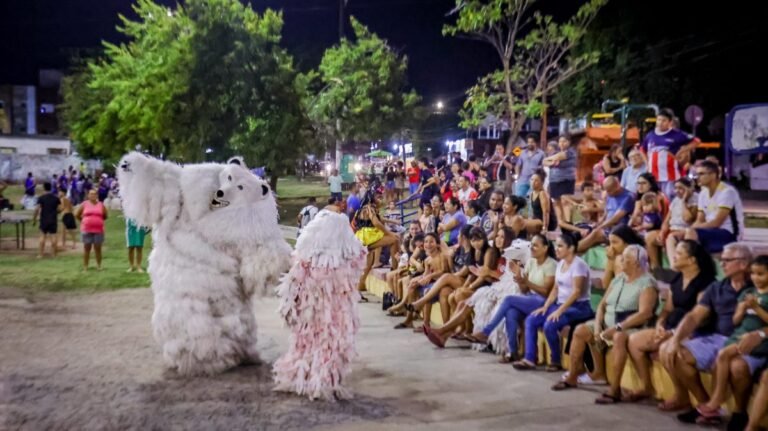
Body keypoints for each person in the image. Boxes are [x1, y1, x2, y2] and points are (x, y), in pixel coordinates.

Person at [658, 243, 752, 428]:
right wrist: (675, 339)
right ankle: (705, 404)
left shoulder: (757, 286)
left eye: (727, 260)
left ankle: (740, 412)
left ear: (743, 264)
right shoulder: (716, 287)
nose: (722, 264)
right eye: (721, 260)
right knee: (675, 352)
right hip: (716, 338)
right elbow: (694, 315)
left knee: (735, 366)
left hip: (745, 340)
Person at [554, 246, 658, 402]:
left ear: (636, 263)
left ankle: (615, 389)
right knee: (580, 330)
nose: (620, 260)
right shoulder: (618, 278)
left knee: (619, 338)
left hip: (630, 327)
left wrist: (617, 327)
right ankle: (573, 376)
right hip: (607, 323)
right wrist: (597, 325)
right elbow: (602, 304)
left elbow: (645, 313)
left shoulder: (647, 283)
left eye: (625, 258)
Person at [625, 240, 716, 403]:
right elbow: (667, 309)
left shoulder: (706, 282)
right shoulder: (677, 279)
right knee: (634, 341)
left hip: (692, 332)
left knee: (667, 349)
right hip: (669, 327)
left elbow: (700, 318)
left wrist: (673, 334)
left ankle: (682, 395)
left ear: (692, 260)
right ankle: (647, 386)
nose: (673, 256)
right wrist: (660, 325)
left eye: (679, 253)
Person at [694, 255, 768, 425]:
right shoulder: (748, 293)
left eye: (761, 274)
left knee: (725, 356)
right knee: (722, 357)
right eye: (753, 274)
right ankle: (718, 397)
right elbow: (735, 321)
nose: (755, 278)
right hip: (739, 335)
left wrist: (756, 308)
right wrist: (741, 309)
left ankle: (718, 400)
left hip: (760, 341)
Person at [513, 233, 594, 372]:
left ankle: (555, 360)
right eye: (556, 245)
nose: (556, 249)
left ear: (571, 248)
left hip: (579, 307)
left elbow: (576, 293)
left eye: (561, 246)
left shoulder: (578, 265)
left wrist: (559, 310)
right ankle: (530, 359)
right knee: (531, 320)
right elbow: (556, 289)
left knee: (550, 324)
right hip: (560, 305)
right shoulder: (561, 263)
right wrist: (545, 307)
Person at [470, 233, 557, 362]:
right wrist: (519, 279)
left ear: (545, 248)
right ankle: (513, 352)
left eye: (536, 246)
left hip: (544, 301)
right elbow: (525, 289)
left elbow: (545, 292)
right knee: (510, 312)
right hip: (530, 298)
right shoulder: (531, 262)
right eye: (531, 245)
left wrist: (525, 282)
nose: (532, 248)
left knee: (509, 300)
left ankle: (486, 332)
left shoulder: (551, 264)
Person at [685, 160, 745, 253]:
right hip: (710, 231)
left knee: (691, 235)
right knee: (672, 237)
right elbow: (699, 220)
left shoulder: (727, 192)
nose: (697, 178)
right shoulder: (703, 193)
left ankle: (691, 265)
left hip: (728, 233)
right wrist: (688, 230)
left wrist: (692, 230)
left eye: (701, 174)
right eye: (696, 174)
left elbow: (717, 223)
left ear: (713, 175)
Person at [641, 108, 697, 197]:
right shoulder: (650, 135)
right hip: (653, 176)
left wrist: (681, 151)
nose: (660, 123)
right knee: (656, 200)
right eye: (659, 120)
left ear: (670, 122)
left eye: (664, 120)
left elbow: (696, 141)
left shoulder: (677, 135)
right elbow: (642, 149)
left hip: (671, 176)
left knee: (669, 199)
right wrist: (647, 163)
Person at [646, 177, 697, 270]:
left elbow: (688, 219)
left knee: (671, 237)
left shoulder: (695, 199)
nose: (677, 191)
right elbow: (666, 220)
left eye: (681, 188)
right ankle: (656, 269)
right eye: (676, 188)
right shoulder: (675, 200)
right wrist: (662, 232)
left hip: (684, 230)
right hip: (672, 228)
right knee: (649, 237)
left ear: (688, 189)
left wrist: (683, 201)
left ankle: (675, 269)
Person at [577, 176, 635, 253]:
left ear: (617, 186)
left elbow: (615, 218)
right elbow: (606, 213)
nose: (607, 193)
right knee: (584, 232)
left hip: (620, 230)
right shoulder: (609, 195)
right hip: (607, 229)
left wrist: (600, 227)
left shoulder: (628, 197)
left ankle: (570, 252)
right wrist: (597, 224)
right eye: (606, 190)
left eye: (609, 191)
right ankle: (573, 256)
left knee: (595, 234)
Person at [543, 135, 577, 225]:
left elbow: (557, 157)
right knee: (556, 202)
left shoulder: (571, 152)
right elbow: (544, 162)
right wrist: (552, 161)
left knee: (565, 201)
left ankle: (569, 223)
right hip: (554, 180)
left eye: (564, 141)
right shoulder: (556, 153)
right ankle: (561, 223)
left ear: (569, 142)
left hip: (566, 180)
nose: (561, 143)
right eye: (560, 141)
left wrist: (551, 160)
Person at [76, 189, 108, 271]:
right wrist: (84, 221)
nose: (93, 196)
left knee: (98, 248)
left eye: (94, 194)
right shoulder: (84, 204)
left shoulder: (101, 205)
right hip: (86, 229)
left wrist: (98, 220)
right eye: (91, 194)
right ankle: (85, 266)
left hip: (98, 230)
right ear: (88, 195)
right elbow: (77, 214)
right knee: (87, 248)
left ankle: (99, 266)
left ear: (97, 196)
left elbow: (105, 215)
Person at [32, 182, 61, 258]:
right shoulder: (56, 198)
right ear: (51, 188)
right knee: (53, 237)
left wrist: (34, 219)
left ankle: (41, 254)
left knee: (42, 237)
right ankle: (54, 254)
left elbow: (37, 209)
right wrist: (55, 211)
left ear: (44, 188)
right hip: (53, 220)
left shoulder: (41, 198)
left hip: (44, 219)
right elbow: (59, 209)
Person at [525, 170, 557, 235]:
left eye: (536, 180)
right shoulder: (532, 193)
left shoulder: (542, 194)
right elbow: (533, 212)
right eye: (531, 179)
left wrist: (545, 228)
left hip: (546, 222)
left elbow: (546, 213)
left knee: (523, 224)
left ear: (542, 182)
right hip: (537, 220)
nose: (532, 182)